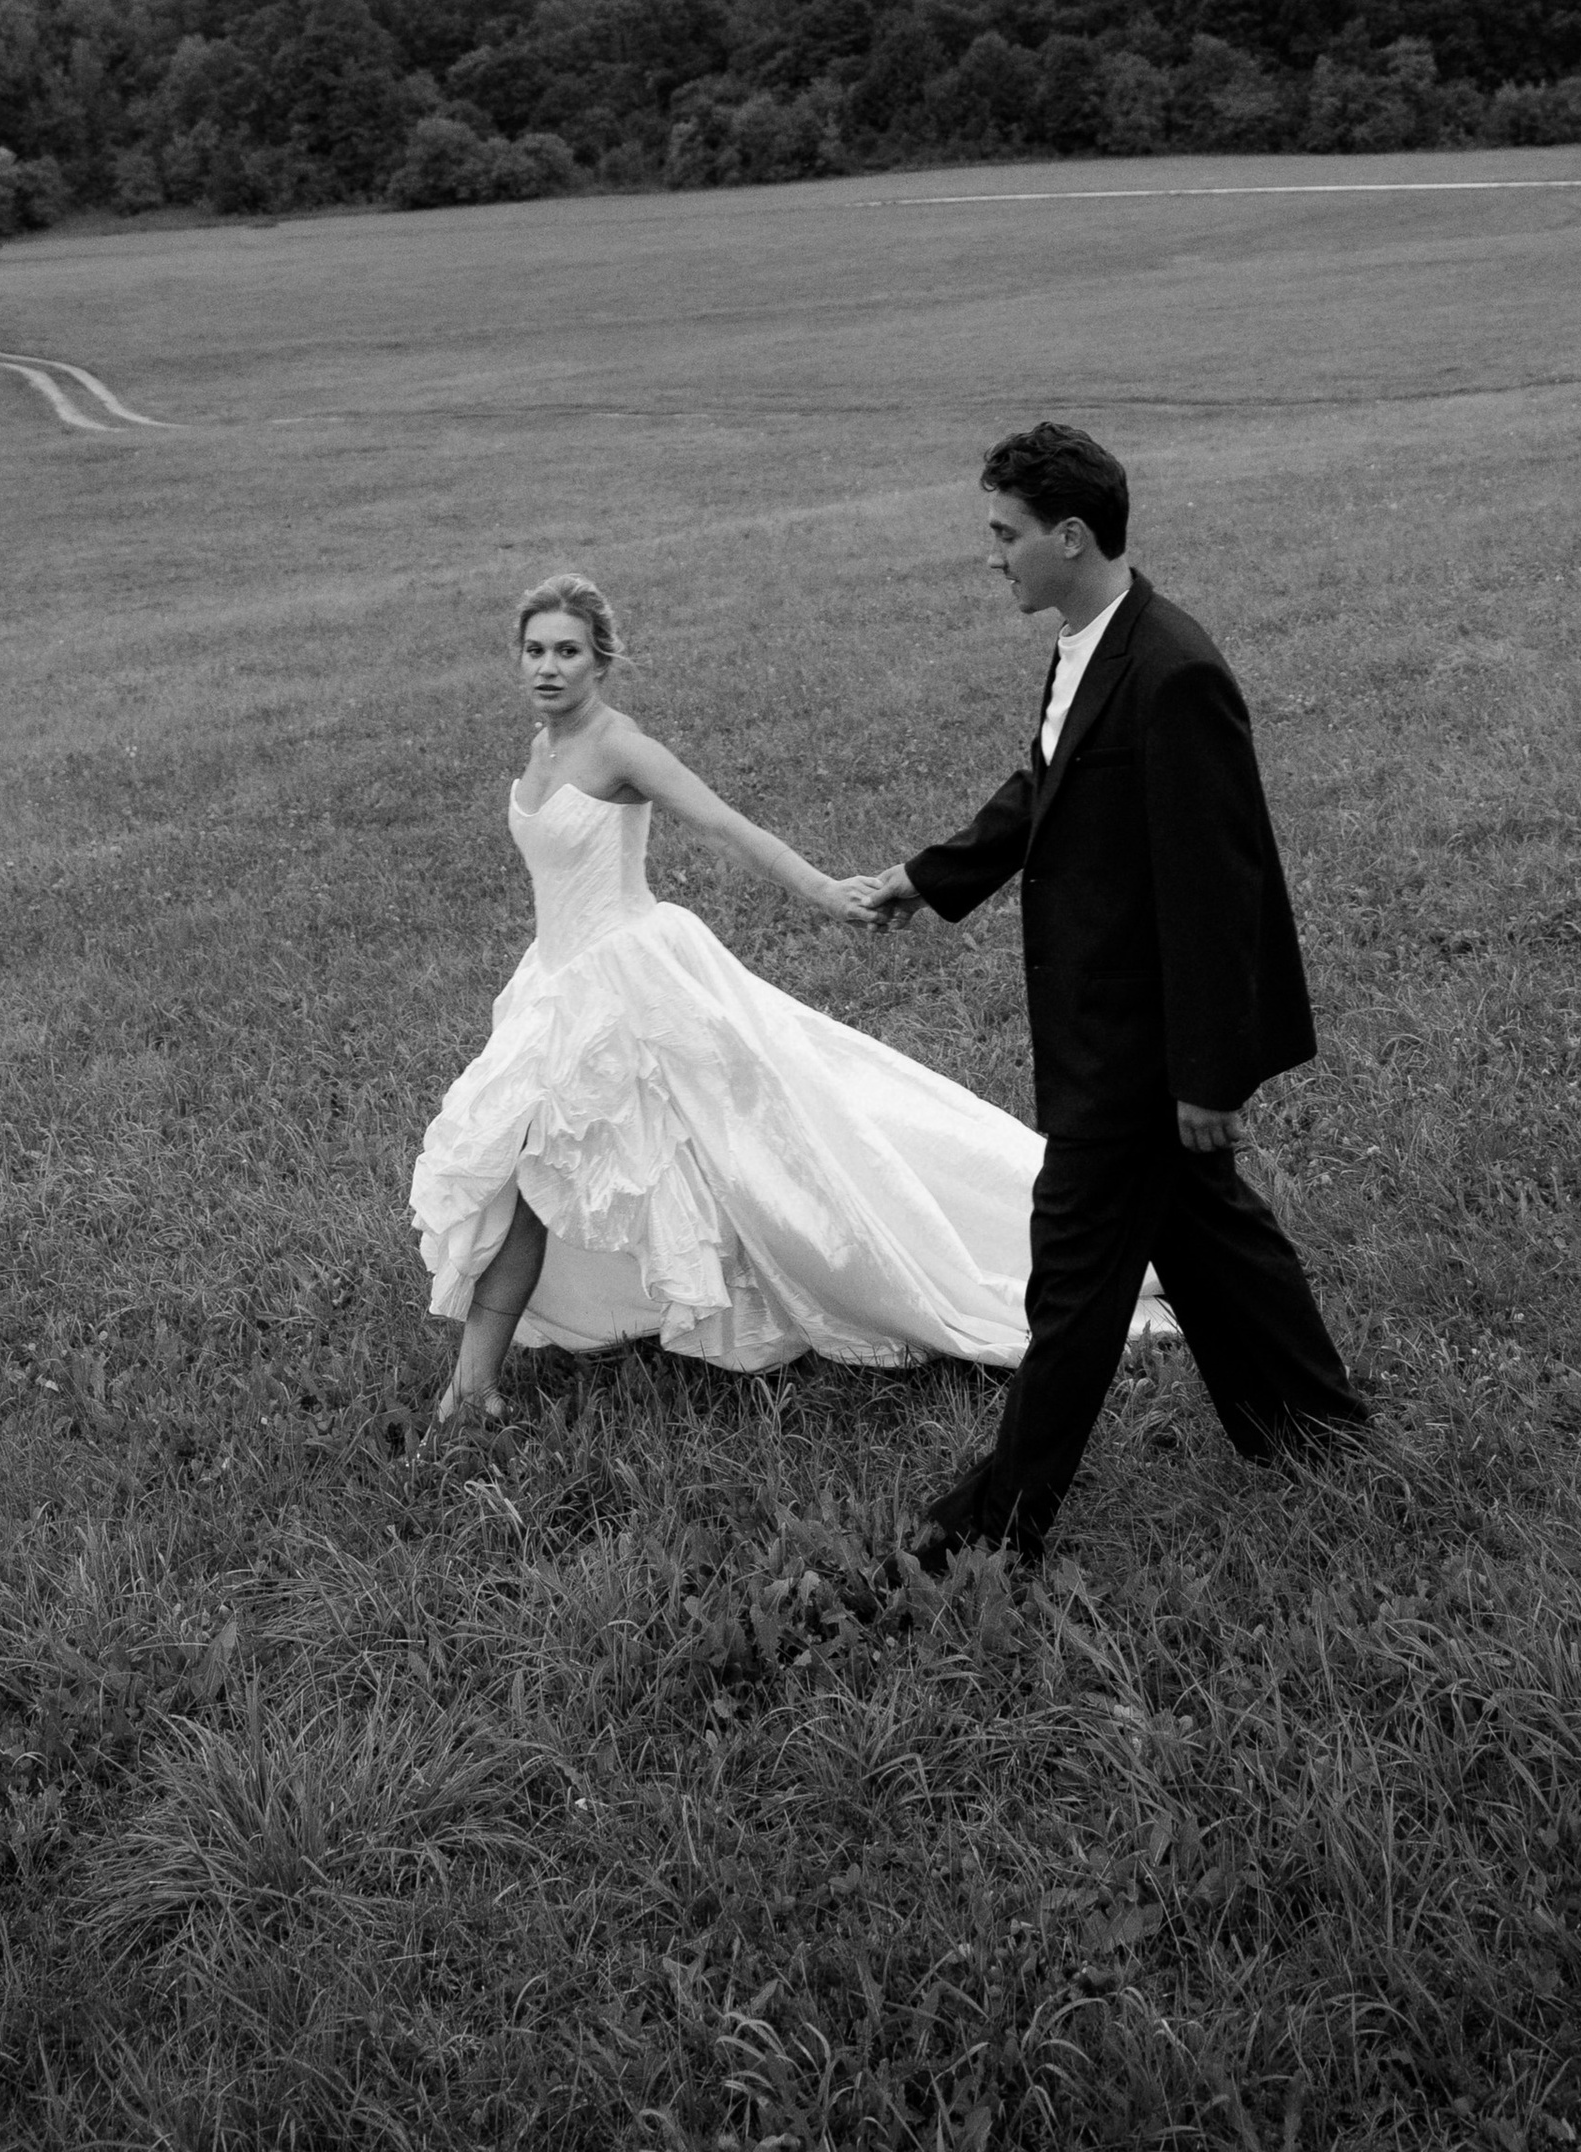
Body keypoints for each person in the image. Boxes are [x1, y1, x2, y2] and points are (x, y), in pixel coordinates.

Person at [411, 572, 1172, 1425]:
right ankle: (471, 1389)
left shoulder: (620, 747)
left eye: (568, 652)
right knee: (528, 1169)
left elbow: (729, 826)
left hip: (631, 980)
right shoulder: (541, 747)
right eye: (534, 651)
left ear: (601, 662)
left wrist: (827, 892)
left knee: (748, 1144)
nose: (548, 668)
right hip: (556, 985)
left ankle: (473, 1389)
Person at [846, 421, 1365, 1564]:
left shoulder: (1172, 671)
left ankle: (987, 1532)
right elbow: (1045, 782)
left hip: (1135, 1051)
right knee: (1210, 1235)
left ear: (1070, 537)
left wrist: (1209, 1074)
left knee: (1073, 1287)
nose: (993, 557)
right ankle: (1321, 1432)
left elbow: (1216, 888)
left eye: (1005, 535)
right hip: (1099, 1025)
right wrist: (929, 880)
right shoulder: (1089, 638)